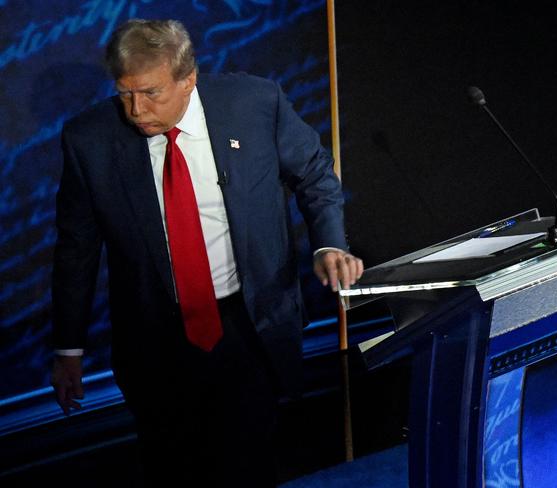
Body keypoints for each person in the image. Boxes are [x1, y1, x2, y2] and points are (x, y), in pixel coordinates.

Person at [50, 18, 363, 486]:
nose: (136, 110)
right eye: (124, 94)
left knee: (248, 463)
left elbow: (315, 176)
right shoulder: (89, 141)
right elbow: (76, 249)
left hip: (247, 326)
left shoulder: (255, 104)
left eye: (151, 93)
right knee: (175, 469)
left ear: (188, 79)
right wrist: (68, 348)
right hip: (155, 340)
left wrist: (329, 242)